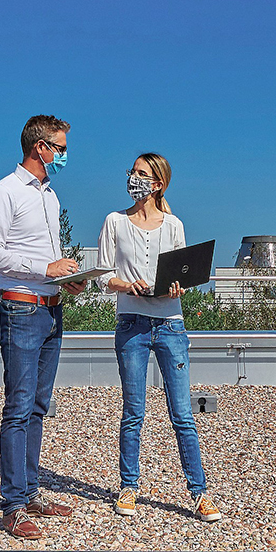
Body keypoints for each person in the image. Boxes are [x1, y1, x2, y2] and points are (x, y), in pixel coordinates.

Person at [97, 153, 223, 523]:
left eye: (141, 173)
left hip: (170, 325)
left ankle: (199, 493)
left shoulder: (174, 225)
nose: (133, 178)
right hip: (131, 323)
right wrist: (125, 284)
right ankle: (129, 486)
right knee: (133, 412)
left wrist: (175, 289)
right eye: (131, 172)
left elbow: (181, 274)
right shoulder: (114, 222)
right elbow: (103, 276)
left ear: (158, 184)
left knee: (182, 414)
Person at [0, 115, 87, 540]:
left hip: (51, 308)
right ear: (40, 147)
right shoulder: (3, 192)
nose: (64, 155)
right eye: (60, 148)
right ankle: (13, 506)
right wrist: (44, 267)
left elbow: (49, 260)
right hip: (20, 310)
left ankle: (31, 491)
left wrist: (67, 278)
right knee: (19, 407)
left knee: (39, 407)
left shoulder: (50, 197)